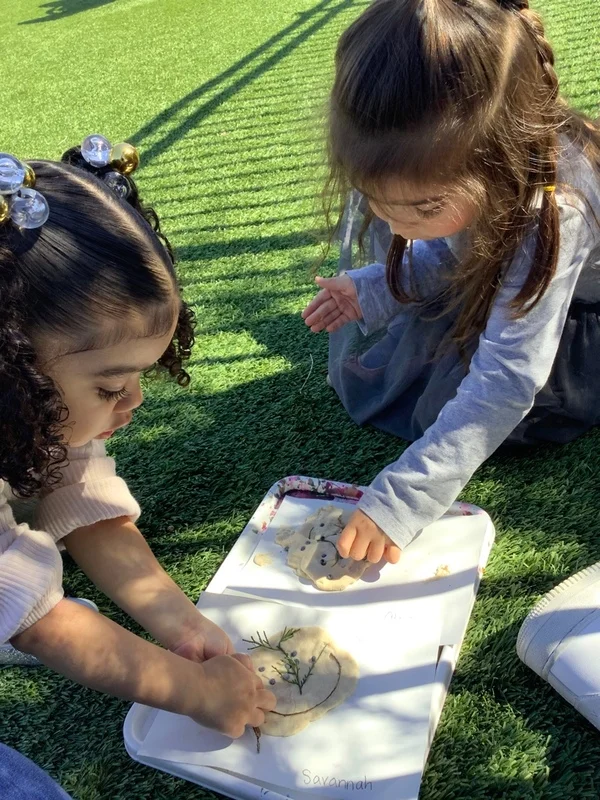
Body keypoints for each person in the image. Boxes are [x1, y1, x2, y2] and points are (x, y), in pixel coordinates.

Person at [302, 0, 600, 564]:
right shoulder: (476, 174)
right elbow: (455, 249)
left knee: (498, 409)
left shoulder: (556, 211)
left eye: (420, 206)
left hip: (577, 314)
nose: (394, 227)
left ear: (498, 162)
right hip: (511, 273)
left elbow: (509, 379)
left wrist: (403, 497)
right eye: (375, 200)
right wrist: (373, 286)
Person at [0, 137, 275, 745]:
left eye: (139, 377)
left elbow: (83, 502)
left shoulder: (32, 399)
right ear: (12, 366)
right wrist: (197, 691)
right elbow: (39, 623)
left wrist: (179, 623)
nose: (135, 403)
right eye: (110, 386)